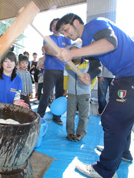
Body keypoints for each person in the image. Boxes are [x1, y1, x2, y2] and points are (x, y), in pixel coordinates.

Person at [56, 13, 134, 178]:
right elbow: (96, 66)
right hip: (121, 77)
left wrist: (71, 54)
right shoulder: (87, 42)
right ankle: (123, 153)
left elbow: (110, 43)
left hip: (130, 75)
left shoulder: (95, 24)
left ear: (76, 22)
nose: (65, 34)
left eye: (66, 29)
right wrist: (89, 75)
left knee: (112, 120)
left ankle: (104, 170)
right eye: (63, 33)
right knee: (123, 119)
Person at [37, 18, 72, 125]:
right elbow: (47, 50)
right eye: (53, 25)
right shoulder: (48, 38)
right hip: (50, 70)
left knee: (60, 94)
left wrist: (58, 51)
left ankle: (57, 116)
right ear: (51, 27)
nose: (55, 26)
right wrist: (61, 51)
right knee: (46, 93)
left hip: (63, 71)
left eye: (57, 24)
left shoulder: (66, 38)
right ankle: (39, 115)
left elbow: (69, 50)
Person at [63, 42, 96, 142]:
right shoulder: (68, 65)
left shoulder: (88, 64)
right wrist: (65, 90)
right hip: (72, 93)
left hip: (84, 94)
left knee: (84, 115)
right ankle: (70, 132)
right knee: (70, 114)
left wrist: (88, 89)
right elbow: (65, 78)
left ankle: (80, 134)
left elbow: (93, 78)